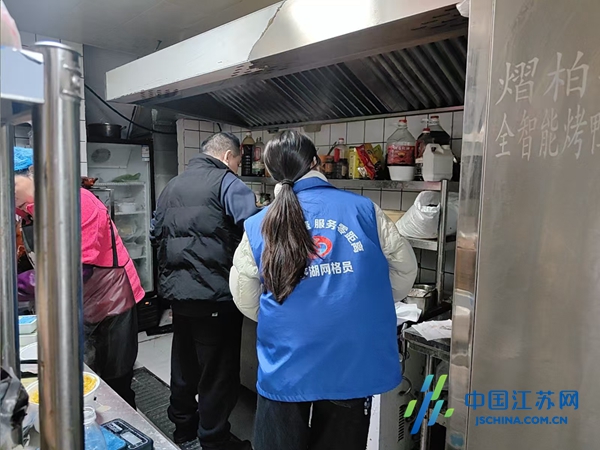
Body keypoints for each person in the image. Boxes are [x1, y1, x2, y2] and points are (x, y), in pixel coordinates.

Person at [230, 131, 418, 450]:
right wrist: (363, 303)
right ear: (316, 162)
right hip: (350, 359)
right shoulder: (364, 210)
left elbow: (244, 294)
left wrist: (282, 318)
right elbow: (405, 269)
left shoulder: (260, 222)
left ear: (272, 172)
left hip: (287, 359)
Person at [13, 147, 144, 408]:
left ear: (33, 174)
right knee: (77, 373)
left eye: (10, 182)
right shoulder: (26, 210)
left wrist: (11, 287)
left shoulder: (76, 202)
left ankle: (122, 422)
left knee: (114, 380)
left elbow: (74, 269)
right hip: (75, 299)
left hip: (111, 299)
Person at [151, 132, 258, 450]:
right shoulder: (228, 183)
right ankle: (215, 440)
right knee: (217, 372)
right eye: (237, 161)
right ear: (228, 156)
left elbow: (156, 232)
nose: (236, 167)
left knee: (184, 364)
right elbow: (255, 233)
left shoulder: (173, 185)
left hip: (178, 295)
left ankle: (183, 429)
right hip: (216, 296)